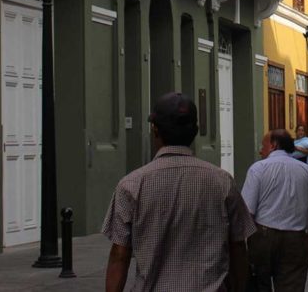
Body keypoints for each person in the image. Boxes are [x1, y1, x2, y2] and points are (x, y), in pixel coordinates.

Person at [102, 92, 254, 292]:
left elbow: (120, 255)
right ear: (195, 131)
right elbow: (238, 247)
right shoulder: (222, 182)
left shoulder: (131, 185)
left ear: (155, 130)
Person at [241, 129, 308, 291]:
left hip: (263, 237)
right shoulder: (307, 171)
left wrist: (248, 243)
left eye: (263, 145)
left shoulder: (258, 169)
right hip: (295, 238)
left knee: (260, 284)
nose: (260, 150)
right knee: (291, 284)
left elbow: (247, 212)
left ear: (273, 145)